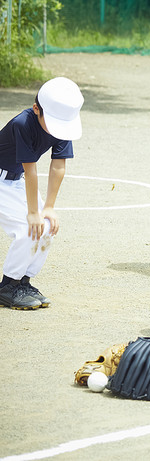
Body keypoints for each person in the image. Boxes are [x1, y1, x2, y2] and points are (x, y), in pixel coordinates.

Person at [0, 77, 84, 310]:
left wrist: (47, 208)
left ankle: (23, 282)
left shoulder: (62, 123)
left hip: (14, 181)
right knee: (28, 228)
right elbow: (31, 171)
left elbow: (58, 166)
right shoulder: (22, 123)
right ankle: (8, 286)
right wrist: (32, 212)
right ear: (36, 108)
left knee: (47, 227)